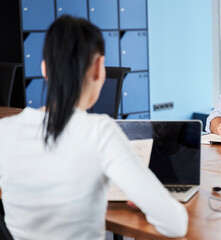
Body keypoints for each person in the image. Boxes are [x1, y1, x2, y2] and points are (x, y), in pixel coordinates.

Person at [0, 15, 187, 240]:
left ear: (44, 70)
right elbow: (175, 224)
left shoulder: (5, 130)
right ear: (99, 68)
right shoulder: (99, 131)